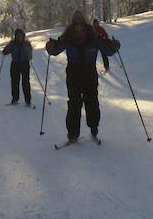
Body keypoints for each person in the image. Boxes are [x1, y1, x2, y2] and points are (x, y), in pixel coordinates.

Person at [45, 10, 119, 142]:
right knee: (74, 103)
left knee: (92, 101)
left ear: (84, 24)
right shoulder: (67, 37)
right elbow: (55, 50)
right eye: (76, 24)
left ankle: (94, 128)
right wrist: (50, 47)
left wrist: (113, 46)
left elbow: (107, 51)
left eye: (80, 24)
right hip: (73, 73)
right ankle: (73, 133)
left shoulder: (93, 37)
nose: (78, 26)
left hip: (90, 73)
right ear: (73, 24)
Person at [0, 28, 34, 106]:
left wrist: (28, 54)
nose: (19, 37)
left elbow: (30, 55)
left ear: (23, 36)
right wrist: (5, 50)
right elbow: (5, 51)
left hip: (25, 64)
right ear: (15, 36)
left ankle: (28, 100)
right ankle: (15, 99)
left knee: (25, 83)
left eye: (20, 35)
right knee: (15, 82)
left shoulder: (26, 44)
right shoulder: (12, 43)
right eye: (17, 36)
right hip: (15, 65)